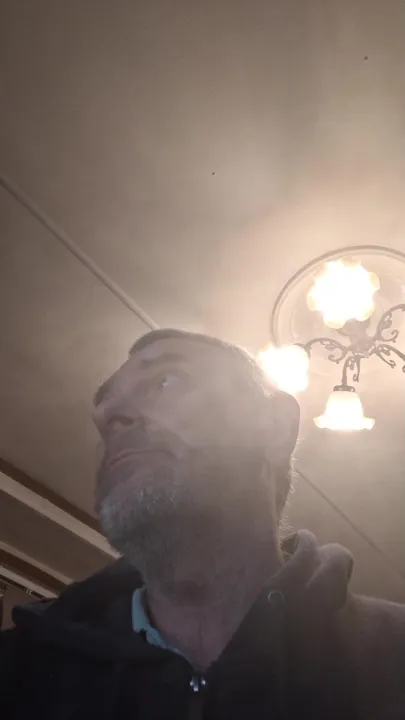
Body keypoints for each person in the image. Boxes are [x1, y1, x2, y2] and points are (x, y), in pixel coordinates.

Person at [1, 328, 404, 719]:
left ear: (272, 428)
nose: (106, 416)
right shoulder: (17, 673)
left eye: (166, 380)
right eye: (104, 404)